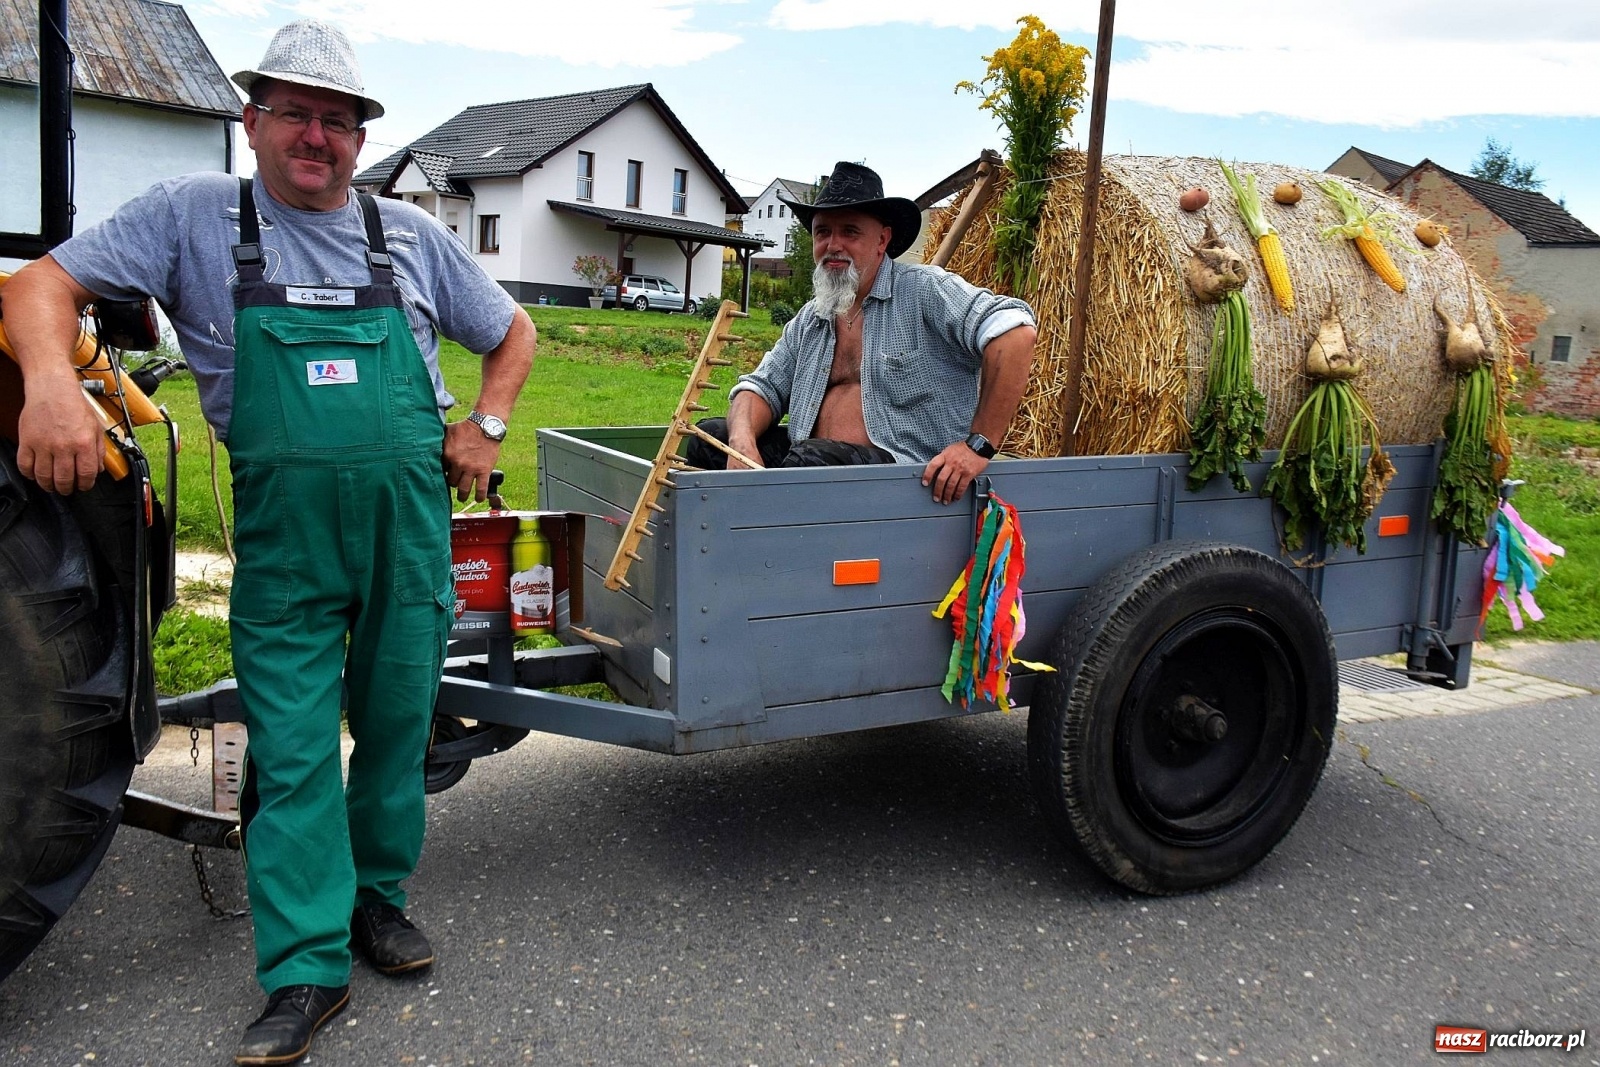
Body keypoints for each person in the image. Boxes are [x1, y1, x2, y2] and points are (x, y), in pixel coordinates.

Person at [2, 20, 534, 1066]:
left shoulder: (411, 234)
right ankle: (304, 967)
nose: (316, 135)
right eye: (294, 111)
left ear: (357, 137)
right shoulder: (192, 216)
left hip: (408, 523)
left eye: (336, 120)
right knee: (291, 750)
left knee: (392, 731)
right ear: (253, 123)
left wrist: (488, 425)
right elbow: (34, 287)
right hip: (287, 539)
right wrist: (52, 386)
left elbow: (511, 332)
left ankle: (377, 897)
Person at [687, 161, 1037, 505]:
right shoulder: (813, 318)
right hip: (812, 466)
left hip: (908, 479)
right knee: (710, 437)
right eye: (823, 232)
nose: (833, 244)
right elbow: (759, 387)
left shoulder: (924, 292)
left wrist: (979, 445)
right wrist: (743, 440)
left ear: (882, 239)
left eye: (850, 232)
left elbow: (1015, 335)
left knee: (809, 464)